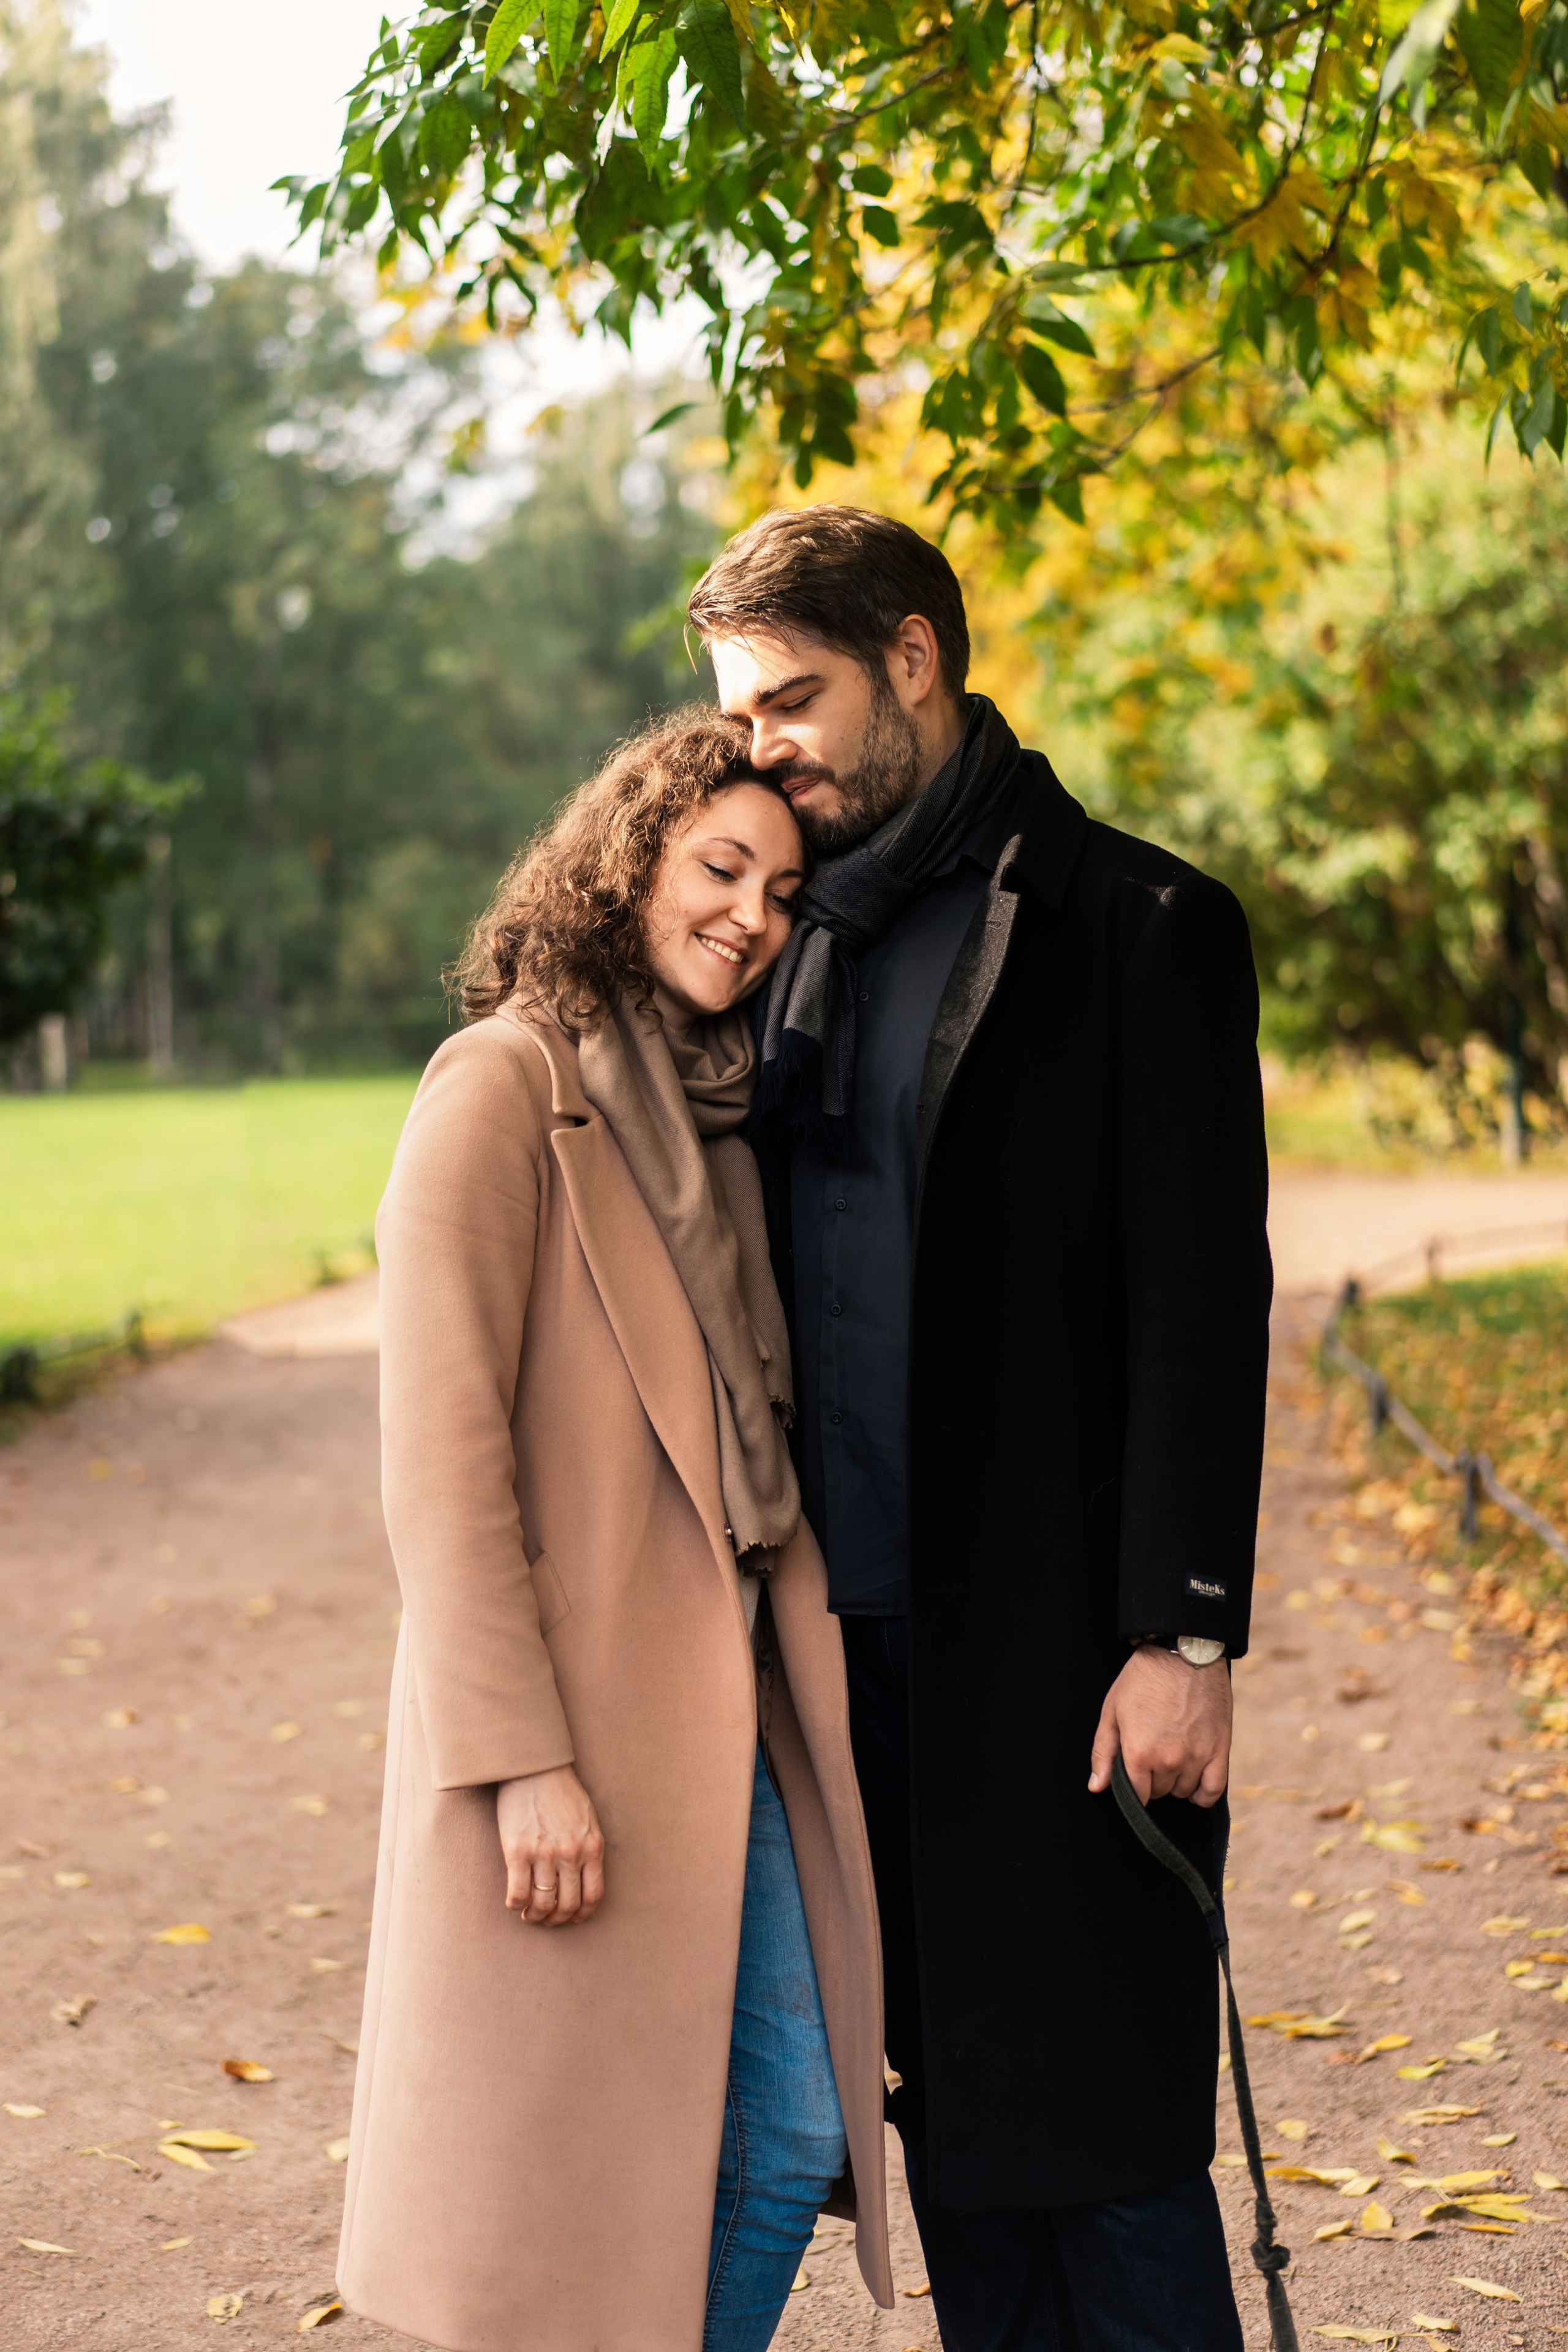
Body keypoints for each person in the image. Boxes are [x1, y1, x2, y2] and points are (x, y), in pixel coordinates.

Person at [687, 507, 1273, 2352]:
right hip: (843, 1658)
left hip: (1069, 1653)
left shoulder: (1143, 928)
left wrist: (1184, 1637)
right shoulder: (787, 939)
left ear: (915, 659)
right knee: (952, 2136)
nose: (761, 744)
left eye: (793, 699)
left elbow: (1204, 1308)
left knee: (1109, 2142)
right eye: (738, 712)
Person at [336, 712, 894, 2352]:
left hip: (738, 1702)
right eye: (721, 868)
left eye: (783, 894)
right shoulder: (502, 1086)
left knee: (792, 2130)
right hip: (580, 1721)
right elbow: (441, 1468)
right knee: (580, 2196)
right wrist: (521, 1759)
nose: (751, 916)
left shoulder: (727, 1112)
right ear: (627, 861)